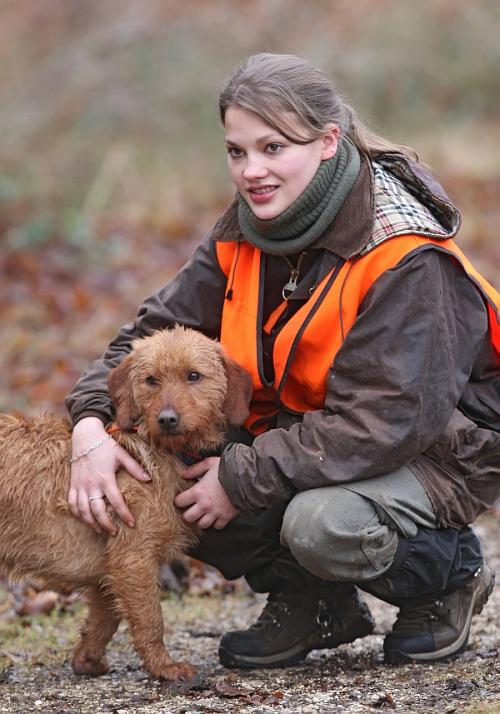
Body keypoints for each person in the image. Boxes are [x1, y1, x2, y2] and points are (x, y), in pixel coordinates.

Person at [65, 53, 499, 669]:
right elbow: (143, 339)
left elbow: (387, 422)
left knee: (321, 524)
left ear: (327, 142)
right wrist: (90, 423)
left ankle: (449, 574)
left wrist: (240, 477)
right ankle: (315, 602)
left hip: (436, 449)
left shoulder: (404, 255)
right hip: (313, 432)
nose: (251, 171)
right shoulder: (248, 230)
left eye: (273, 147)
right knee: (171, 463)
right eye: (236, 152)